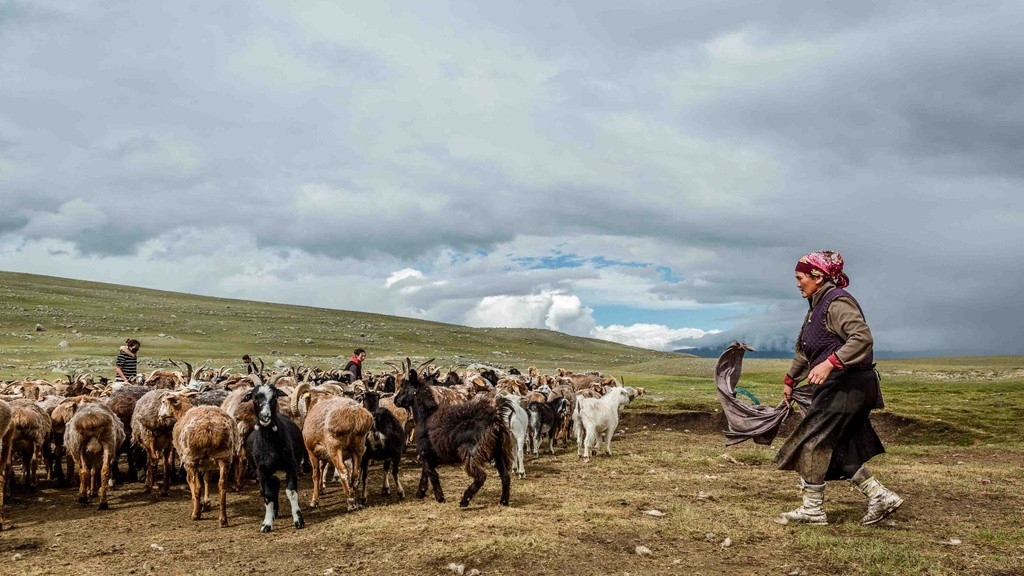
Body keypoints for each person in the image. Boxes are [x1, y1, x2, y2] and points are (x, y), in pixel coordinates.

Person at [774, 251, 903, 526]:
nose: (797, 283)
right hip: (846, 385)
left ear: (818, 277)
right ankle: (880, 496)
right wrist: (790, 380)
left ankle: (812, 510)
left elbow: (862, 338)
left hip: (848, 384)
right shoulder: (816, 308)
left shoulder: (837, 302)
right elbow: (806, 352)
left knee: (813, 441)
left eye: (800, 277)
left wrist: (830, 363)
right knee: (838, 447)